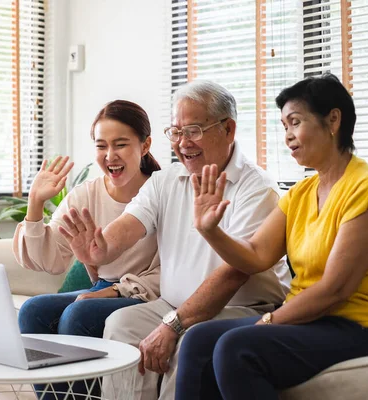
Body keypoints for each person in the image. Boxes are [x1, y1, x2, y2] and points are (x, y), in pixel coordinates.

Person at [174, 73, 368, 400]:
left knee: (236, 348)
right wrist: (210, 230)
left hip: (365, 326)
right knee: (198, 339)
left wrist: (270, 320)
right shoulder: (301, 193)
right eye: (284, 127)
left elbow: (335, 289)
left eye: (295, 123)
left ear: (333, 120)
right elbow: (255, 255)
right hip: (314, 321)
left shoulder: (367, 187)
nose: (288, 137)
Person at [58, 81, 291, 400]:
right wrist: (101, 248)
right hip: (173, 302)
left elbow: (235, 272)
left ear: (228, 129)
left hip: (241, 307)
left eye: (193, 130)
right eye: (176, 132)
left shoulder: (256, 188)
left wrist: (174, 324)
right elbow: (130, 223)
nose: (183, 143)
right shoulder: (165, 179)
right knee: (121, 324)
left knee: (187, 340)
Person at [13, 100, 162, 398]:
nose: (110, 156)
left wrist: (117, 291)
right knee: (33, 310)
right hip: (104, 288)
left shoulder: (162, 190)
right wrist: (35, 204)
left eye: (121, 144)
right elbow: (49, 260)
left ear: (145, 146)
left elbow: (177, 268)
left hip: (149, 293)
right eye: (101, 146)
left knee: (78, 315)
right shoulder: (86, 194)